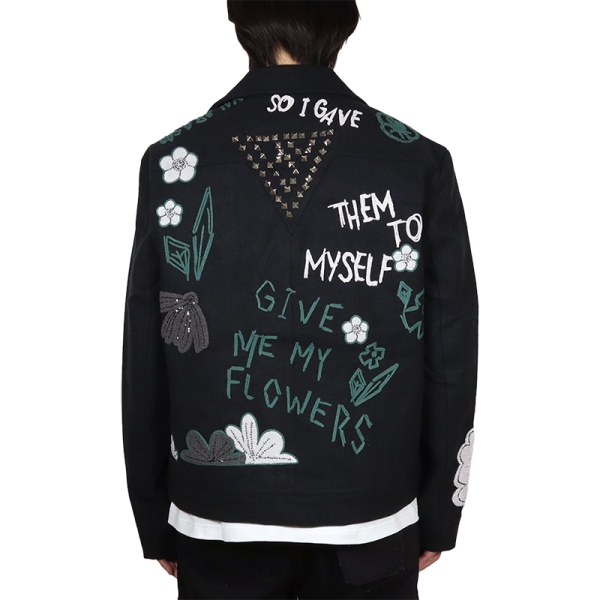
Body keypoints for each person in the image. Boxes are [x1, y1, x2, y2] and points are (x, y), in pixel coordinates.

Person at [121, 1, 478, 598]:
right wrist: (441, 508)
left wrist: (156, 515)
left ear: (242, 23)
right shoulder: (416, 161)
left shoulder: (174, 160)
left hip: (219, 513)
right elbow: (450, 347)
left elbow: (145, 352)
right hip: (371, 510)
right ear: (342, 22)